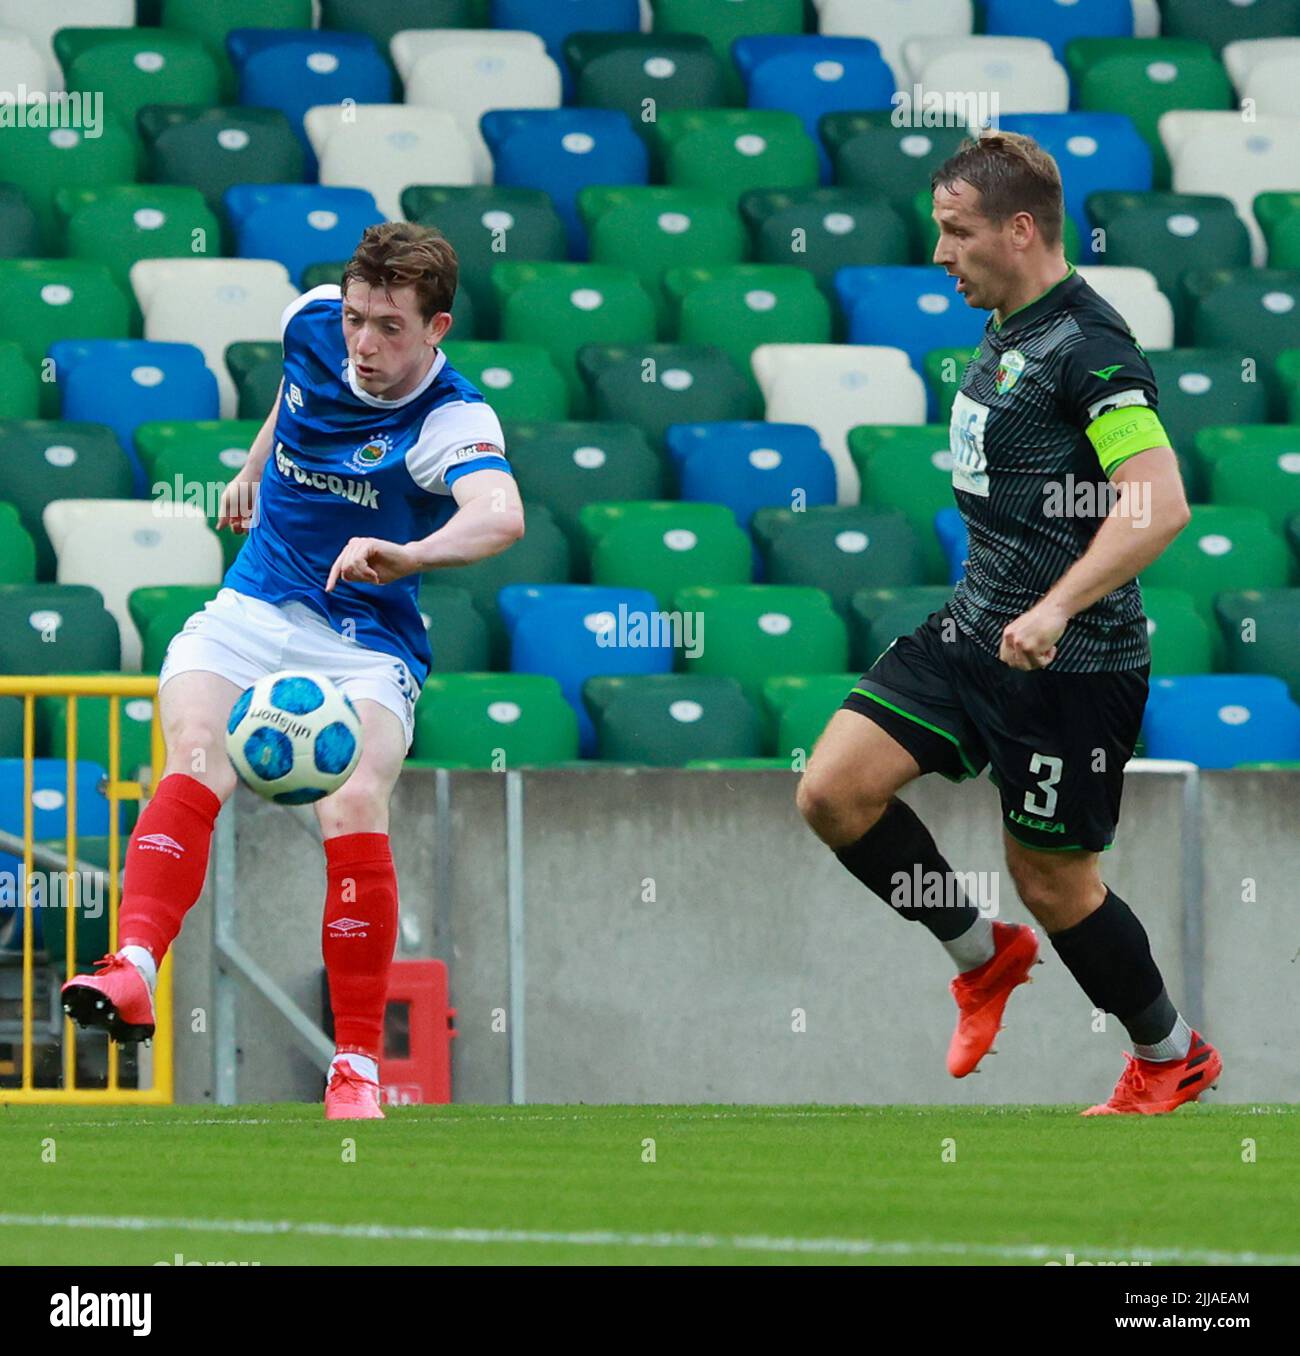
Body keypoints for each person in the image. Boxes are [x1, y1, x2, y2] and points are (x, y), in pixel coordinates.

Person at [796, 132, 1222, 1115]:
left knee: (1054, 883)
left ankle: (1168, 1055)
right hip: (972, 633)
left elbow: (1157, 501)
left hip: (1070, 663)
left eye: (956, 233)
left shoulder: (1089, 348)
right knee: (832, 793)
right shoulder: (1006, 322)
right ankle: (979, 958)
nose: (939, 253)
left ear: (1020, 230)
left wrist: (1056, 605)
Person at [61, 222, 524, 1120]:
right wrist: (250, 466)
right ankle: (134, 968)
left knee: (352, 803)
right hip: (253, 608)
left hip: (365, 645)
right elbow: (293, 390)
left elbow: (499, 516)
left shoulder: (451, 419)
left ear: (437, 330)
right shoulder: (312, 322)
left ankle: (356, 1064)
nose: (364, 344)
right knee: (194, 752)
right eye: (357, 319)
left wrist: (408, 550)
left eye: (391, 327)